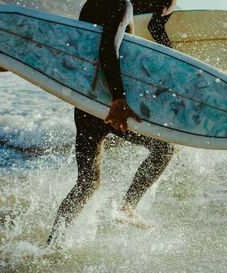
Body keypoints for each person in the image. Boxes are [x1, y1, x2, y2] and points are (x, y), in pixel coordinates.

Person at [47, 0, 178, 245]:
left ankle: (53, 244)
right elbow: (108, 49)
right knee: (165, 148)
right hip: (110, 106)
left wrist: (161, 15)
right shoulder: (120, 5)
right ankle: (128, 207)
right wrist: (119, 99)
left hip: (87, 104)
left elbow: (81, 47)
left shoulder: (92, 5)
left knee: (87, 183)